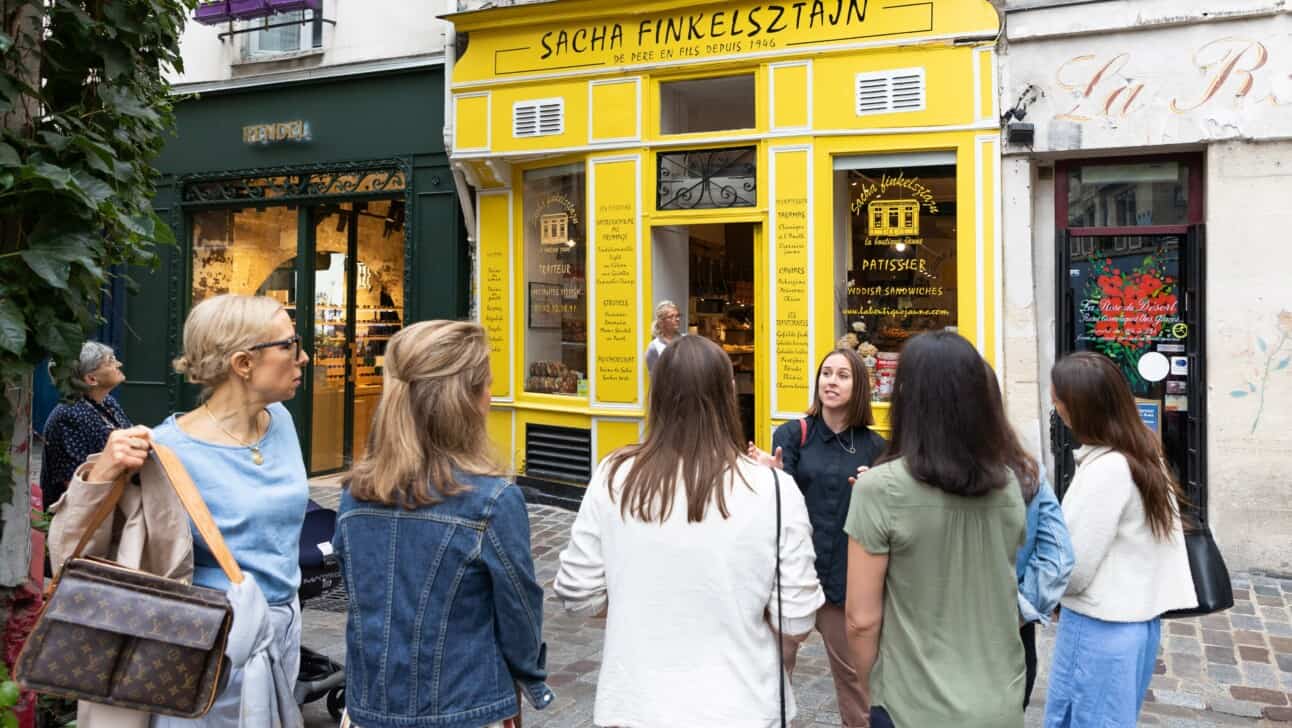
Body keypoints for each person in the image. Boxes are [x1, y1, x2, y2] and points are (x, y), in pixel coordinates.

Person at [49, 293, 310, 728]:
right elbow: (74, 553)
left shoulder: (280, 420)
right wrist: (102, 474)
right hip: (205, 646)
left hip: (280, 632)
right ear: (243, 364)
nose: (302, 358)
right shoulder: (168, 451)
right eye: (289, 345)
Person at [555, 335, 824, 727]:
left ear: (657, 395)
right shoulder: (773, 489)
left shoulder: (614, 477)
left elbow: (577, 593)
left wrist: (639, 603)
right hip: (742, 704)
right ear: (728, 395)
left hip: (638, 704)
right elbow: (797, 618)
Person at [333, 320, 553, 728]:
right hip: (464, 703)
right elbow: (519, 610)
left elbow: (361, 596)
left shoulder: (356, 493)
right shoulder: (491, 501)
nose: (491, 396)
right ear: (467, 400)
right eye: (486, 384)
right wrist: (528, 675)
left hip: (369, 704)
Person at [843, 331, 1027, 728]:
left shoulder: (879, 488)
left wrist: (870, 686)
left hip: (912, 704)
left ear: (905, 396)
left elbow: (860, 619)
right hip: (1000, 698)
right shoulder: (1009, 483)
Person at [1044, 352, 1195, 728]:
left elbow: (1073, 565)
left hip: (1100, 625)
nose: (1054, 404)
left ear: (1077, 407)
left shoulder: (1107, 469)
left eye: (1057, 397)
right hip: (1136, 622)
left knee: (1082, 718)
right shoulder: (1142, 450)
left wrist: (1045, 593)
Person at [747, 347, 884, 728]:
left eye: (842, 375)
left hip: (845, 579)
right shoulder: (793, 434)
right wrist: (769, 476)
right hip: (793, 576)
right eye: (826, 374)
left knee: (857, 684)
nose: (831, 382)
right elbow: (777, 501)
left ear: (858, 387)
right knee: (772, 676)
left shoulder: (875, 448)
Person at [984, 366, 1075, 708]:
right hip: (1012, 638)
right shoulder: (1024, 469)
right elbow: (1058, 557)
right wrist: (1019, 612)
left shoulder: (907, 476)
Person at [39, 341, 132, 509]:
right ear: (91, 379)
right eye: (110, 361)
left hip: (112, 506)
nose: (119, 364)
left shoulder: (107, 402)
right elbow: (77, 485)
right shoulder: (68, 416)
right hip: (84, 518)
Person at [643, 299, 682, 376]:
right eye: (671, 316)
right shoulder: (654, 347)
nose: (677, 319)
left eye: (677, 315)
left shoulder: (685, 340)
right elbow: (655, 378)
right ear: (661, 322)